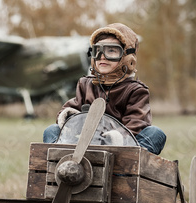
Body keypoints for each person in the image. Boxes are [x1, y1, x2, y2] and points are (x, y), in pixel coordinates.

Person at [43, 23, 166, 155]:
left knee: (155, 133)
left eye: (111, 51)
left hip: (120, 149)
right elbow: (71, 108)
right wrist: (72, 119)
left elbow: (137, 122)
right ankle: (61, 161)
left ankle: (131, 168)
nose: (102, 56)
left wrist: (113, 137)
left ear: (127, 57)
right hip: (86, 144)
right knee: (51, 130)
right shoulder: (86, 84)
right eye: (98, 50)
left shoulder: (136, 90)